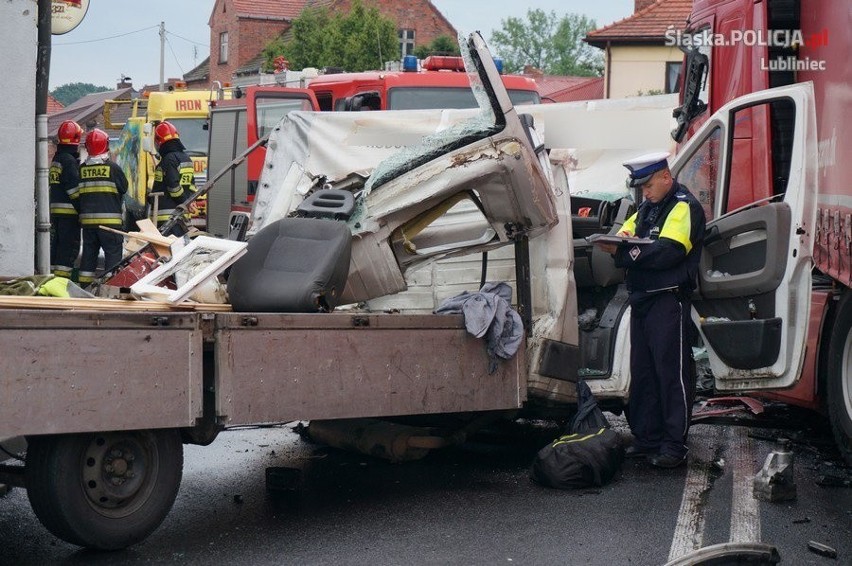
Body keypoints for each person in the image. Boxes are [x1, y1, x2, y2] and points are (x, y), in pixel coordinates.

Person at [596, 152, 706, 468]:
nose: (644, 192)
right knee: (643, 374)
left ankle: (674, 446)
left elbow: (667, 253)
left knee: (671, 375)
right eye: (641, 187)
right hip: (643, 299)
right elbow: (623, 237)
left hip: (667, 300)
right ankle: (647, 439)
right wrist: (625, 245)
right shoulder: (648, 208)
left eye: (648, 185)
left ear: (665, 177)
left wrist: (625, 253)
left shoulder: (683, 206)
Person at [73, 128, 128, 287]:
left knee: (88, 257)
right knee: (112, 257)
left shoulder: (81, 169)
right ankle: (110, 288)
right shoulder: (113, 168)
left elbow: (77, 194)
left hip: (89, 224)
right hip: (110, 225)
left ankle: (84, 289)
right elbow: (124, 188)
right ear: (106, 146)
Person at [49, 120, 83, 279]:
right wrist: (82, 210)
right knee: (68, 248)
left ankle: (53, 277)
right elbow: (74, 191)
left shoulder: (57, 159)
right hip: (69, 213)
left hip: (57, 211)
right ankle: (62, 282)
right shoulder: (69, 161)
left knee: (58, 245)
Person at [150, 121, 197, 236]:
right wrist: (189, 201)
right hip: (181, 216)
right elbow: (191, 185)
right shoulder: (186, 158)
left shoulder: (168, 160)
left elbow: (173, 187)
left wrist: (184, 202)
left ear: (159, 141)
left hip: (168, 217)